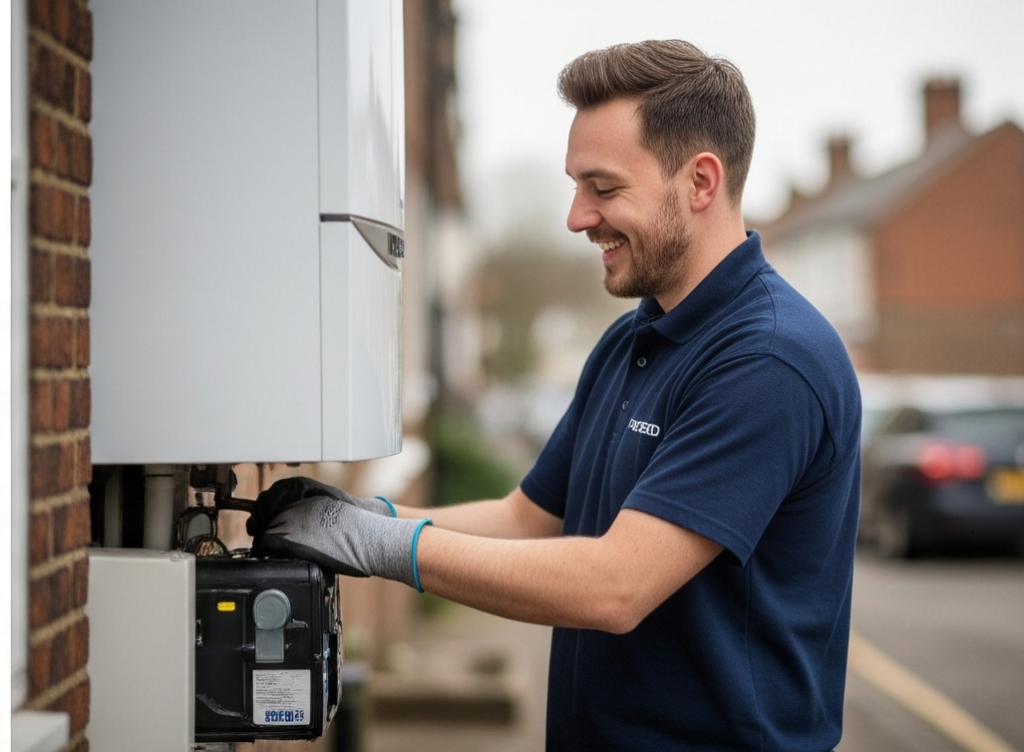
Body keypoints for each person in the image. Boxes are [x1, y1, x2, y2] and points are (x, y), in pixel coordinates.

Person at [248, 39, 861, 752]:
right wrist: (369, 515)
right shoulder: (633, 340)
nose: (576, 217)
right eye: (576, 186)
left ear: (700, 182)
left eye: (603, 188)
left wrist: (375, 545)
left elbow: (615, 586)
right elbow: (527, 519)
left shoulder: (767, 360)